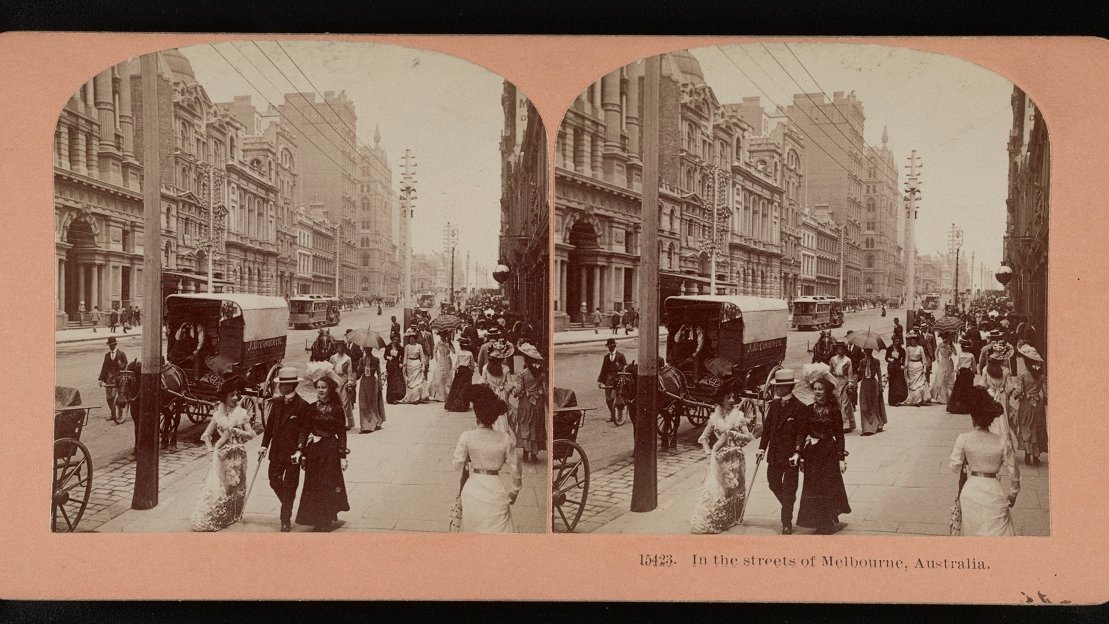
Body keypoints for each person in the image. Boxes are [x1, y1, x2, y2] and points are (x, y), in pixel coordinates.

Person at [691, 380, 761, 534]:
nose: (731, 400)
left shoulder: (739, 416)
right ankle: (719, 519)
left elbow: (748, 438)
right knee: (719, 489)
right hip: (720, 458)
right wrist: (708, 451)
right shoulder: (714, 418)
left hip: (736, 456)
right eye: (728, 397)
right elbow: (703, 437)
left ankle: (734, 518)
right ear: (721, 399)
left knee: (735, 488)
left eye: (733, 397)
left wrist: (734, 434)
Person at [949, 386, 1020, 536]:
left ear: (972, 417)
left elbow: (954, 466)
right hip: (994, 490)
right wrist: (1013, 493)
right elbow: (1014, 471)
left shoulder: (964, 439)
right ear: (990, 420)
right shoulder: (1002, 442)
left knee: (973, 534)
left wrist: (966, 459)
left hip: (971, 491)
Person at [451, 384, 522, 533]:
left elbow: (456, 464)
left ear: (476, 414)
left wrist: (469, 456)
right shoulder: (504, 439)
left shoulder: (467, 436)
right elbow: (516, 468)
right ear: (495, 417)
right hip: (495, 488)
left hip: (472, 489)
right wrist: (515, 491)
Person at [191, 376, 256, 531]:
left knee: (237, 484)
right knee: (221, 485)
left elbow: (251, 434)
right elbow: (206, 434)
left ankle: (233, 514)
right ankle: (220, 515)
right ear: (224, 397)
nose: (235, 398)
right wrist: (210, 450)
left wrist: (237, 431)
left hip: (238, 453)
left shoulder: (241, 413)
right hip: (222, 455)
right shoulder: (217, 415)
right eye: (231, 395)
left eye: (237, 394)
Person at [796, 376, 851, 535]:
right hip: (812, 454)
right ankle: (818, 519)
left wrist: (841, 458)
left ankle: (828, 520)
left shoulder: (834, 411)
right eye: (816, 389)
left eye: (821, 389)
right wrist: (799, 453)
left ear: (826, 392)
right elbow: (801, 432)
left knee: (828, 486)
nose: (818, 392)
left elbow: (840, 435)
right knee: (813, 488)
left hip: (829, 453)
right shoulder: (808, 409)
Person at [295, 376, 350, 532]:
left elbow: (342, 433)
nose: (320, 390)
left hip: (330, 450)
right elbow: (305, 430)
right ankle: (316, 518)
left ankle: (326, 519)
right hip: (314, 451)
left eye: (324, 387)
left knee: (328, 484)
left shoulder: (337, 409)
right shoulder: (311, 408)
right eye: (318, 387)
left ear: (330, 389)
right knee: (313, 485)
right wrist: (302, 451)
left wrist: (343, 456)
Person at [756, 369, 806, 535]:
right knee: (773, 483)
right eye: (776, 386)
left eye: (780, 386)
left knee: (790, 488)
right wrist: (762, 448)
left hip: (791, 456)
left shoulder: (799, 407)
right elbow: (768, 429)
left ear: (789, 387)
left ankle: (787, 522)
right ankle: (789, 503)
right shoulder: (775, 405)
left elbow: (801, 433)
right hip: (775, 454)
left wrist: (798, 452)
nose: (776, 389)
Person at [260, 367, 310, 532]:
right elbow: (270, 427)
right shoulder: (277, 402)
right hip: (276, 451)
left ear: (291, 386)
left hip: (292, 453)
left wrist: (300, 450)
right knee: (273, 480)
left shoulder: (303, 405)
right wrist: (263, 446)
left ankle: (285, 518)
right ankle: (288, 504)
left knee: (290, 485)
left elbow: (304, 430)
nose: (280, 386)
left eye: (282, 384)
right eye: (280, 384)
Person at [982, 341, 1021, 455]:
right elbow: (1009, 386)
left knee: (991, 420)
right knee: (1003, 420)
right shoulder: (1005, 371)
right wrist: (1011, 392)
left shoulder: (986, 369)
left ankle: (990, 446)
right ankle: (1004, 447)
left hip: (990, 395)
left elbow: (983, 385)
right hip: (1002, 396)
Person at [1013, 344, 1047, 465]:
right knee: (1036, 427)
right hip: (1038, 403)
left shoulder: (1022, 375)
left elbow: (1019, 391)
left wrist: (1014, 395)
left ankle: (1027, 453)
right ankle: (1036, 455)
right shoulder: (1041, 375)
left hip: (1026, 404)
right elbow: (1045, 393)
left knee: (1025, 426)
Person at [514, 344, 547, 463]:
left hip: (525, 402)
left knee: (525, 424)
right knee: (535, 425)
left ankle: (525, 453)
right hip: (537, 402)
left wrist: (514, 392)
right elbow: (545, 391)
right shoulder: (542, 374)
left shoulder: (522, 373)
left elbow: (518, 390)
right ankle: (534, 453)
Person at [597, 338, 628, 424]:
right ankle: (612, 415)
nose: (610, 348)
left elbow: (625, 367)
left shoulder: (620, 356)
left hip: (618, 379)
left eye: (611, 347)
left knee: (619, 397)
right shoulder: (606, 357)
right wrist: (600, 381)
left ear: (614, 346)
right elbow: (603, 369)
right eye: (609, 347)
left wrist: (622, 373)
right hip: (608, 379)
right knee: (608, 399)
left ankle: (620, 415)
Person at [97, 336, 128, 422]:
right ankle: (113, 414)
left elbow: (125, 365)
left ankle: (120, 413)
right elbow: (104, 368)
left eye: (112, 345)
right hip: (109, 378)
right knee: (108, 398)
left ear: (115, 344)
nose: (111, 347)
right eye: (110, 345)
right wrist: (100, 379)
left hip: (118, 377)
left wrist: (120, 364)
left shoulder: (121, 354)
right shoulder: (107, 356)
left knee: (115, 397)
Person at [857, 348, 886, 436]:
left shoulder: (876, 361)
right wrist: (860, 370)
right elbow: (859, 376)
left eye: (869, 351)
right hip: (865, 383)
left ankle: (874, 426)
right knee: (864, 405)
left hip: (873, 384)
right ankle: (866, 427)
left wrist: (881, 386)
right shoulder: (862, 361)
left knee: (874, 405)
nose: (868, 352)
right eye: (866, 351)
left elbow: (879, 374)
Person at [357, 347, 386, 433]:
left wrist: (380, 383)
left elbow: (379, 372)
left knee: (373, 403)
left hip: (373, 382)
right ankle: (365, 425)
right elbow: (359, 374)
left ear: (372, 349)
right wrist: (359, 368)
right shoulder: (361, 360)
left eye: (369, 349)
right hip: (364, 382)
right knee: (363, 403)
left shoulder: (376, 359)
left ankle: (374, 422)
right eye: (366, 349)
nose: (367, 351)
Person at [947, 337, 978, 414]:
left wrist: (957, 370)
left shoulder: (960, 354)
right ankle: (966, 407)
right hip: (967, 373)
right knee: (967, 389)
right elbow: (974, 366)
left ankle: (957, 406)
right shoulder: (971, 355)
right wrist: (973, 372)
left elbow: (957, 364)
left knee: (959, 389)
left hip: (961, 373)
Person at [829, 342, 856, 432]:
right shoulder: (833, 359)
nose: (840, 350)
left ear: (844, 350)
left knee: (844, 403)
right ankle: (836, 424)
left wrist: (850, 383)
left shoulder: (847, 360)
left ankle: (845, 425)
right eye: (838, 348)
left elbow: (850, 373)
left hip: (844, 382)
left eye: (841, 348)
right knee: (836, 403)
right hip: (836, 382)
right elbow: (830, 371)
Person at [328, 342, 355, 430]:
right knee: (335, 402)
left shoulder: (348, 358)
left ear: (344, 348)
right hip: (335, 381)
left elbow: (349, 372)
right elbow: (329, 370)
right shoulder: (332, 358)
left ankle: (346, 422)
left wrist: (350, 383)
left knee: (345, 402)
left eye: (342, 347)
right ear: (336, 348)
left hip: (344, 381)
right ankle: (335, 422)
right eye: (339, 347)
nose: (340, 348)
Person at [398, 329, 428, 404]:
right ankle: (411, 397)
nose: (412, 341)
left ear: (416, 339)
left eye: (413, 339)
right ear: (409, 340)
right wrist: (404, 365)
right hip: (409, 364)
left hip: (417, 364)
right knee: (410, 382)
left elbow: (422, 356)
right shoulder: (407, 347)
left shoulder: (419, 346)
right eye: (411, 339)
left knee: (417, 381)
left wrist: (423, 365)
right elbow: (405, 356)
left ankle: (417, 398)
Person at [903, 331, 932, 406]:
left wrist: (925, 367)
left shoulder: (920, 348)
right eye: (911, 341)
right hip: (911, 367)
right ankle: (913, 399)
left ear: (917, 341)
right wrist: (905, 367)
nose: (913, 342)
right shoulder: (908, 349)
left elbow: (924, 358)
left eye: (914, 341)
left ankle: (919, 400)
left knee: (919, 384)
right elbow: (906, 359)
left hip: (919, 366)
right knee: (912, 384)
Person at [445, 343, 476, 412]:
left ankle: (454, 404)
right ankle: (463, 405)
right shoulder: (469, 353)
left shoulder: (459, 353)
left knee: (457, 387)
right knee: (465, 387)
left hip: (460, 370)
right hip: (466, 370)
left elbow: (456, 362)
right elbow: (472, 363)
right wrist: (472, 370)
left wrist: (455, 369)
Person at [427, 330, 455, 402]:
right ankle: (439, 395)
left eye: (443, 335)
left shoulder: (448, 343)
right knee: (439, 376)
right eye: (441, 335)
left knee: (447, 376)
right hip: (441, 360)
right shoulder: (439, 343)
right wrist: (436, 358)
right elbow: (435, 350)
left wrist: (450, 344)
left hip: (448, 360)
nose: (442, 336)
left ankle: (447, 395)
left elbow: (454, 352)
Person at [931, 333, 956, 404]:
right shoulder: (940, 344)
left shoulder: (950, 344)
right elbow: (936, 353)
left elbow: (955, 353)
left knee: (949, 378)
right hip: (942, 362)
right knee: (941, 378)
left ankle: (949, 397)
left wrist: (951, 346)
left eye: (944, 337)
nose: (943, 338)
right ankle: (941, 398)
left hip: (949, 362)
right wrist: (938, 359)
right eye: (942, 337)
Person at [885, 336, 908, 406]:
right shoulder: (889, 349)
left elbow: (904, 358)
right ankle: (892, 401)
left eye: (898, 341)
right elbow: (886, 358)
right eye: (895, 341)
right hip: (891, 367)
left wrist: (902, 365)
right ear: (893, 341)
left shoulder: (901, 349)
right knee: (892, 383)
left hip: (898, 367)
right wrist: (889, 359)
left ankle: (899, 400)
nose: (897, 343)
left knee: (899, 383)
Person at [383, 335, 405, 404]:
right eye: (394, 339)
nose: (395, 341)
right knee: (390, 382)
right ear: (391, 340)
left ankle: (396, 398)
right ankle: (390, 398)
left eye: (397, 340)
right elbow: (384, 356)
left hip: (397, 366)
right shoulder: (388, 346)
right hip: (390, 365)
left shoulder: (400, 347)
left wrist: (401, 363)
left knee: (397, 382)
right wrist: (388, 357)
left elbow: (402, 356)